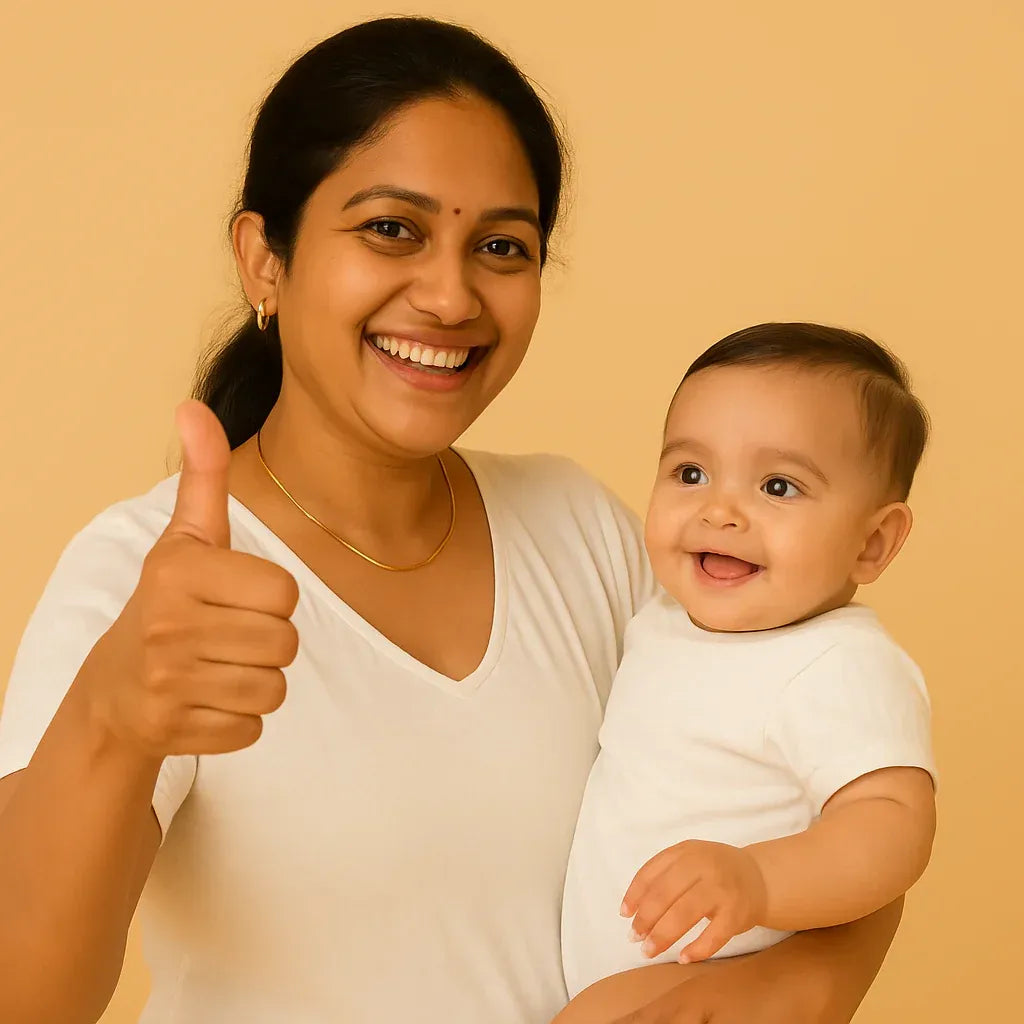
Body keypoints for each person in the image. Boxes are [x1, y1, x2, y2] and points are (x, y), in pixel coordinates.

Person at [0, 18, 904, 1024]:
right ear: (264, 258)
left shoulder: (587, 534)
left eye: (500, 246)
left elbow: (851, 808)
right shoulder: (148, 579)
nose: (447, 294)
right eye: (391, 228)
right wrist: (111, 720)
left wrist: (784, 986)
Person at [558, 324, 936, 1015]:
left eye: (778, 486)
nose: (720, 510)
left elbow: (893, 825)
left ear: (873, 542)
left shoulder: (838, 661)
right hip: (626, 977)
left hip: (721, 972)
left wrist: (758, 879)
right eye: (690, 473)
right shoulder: (660, 623)